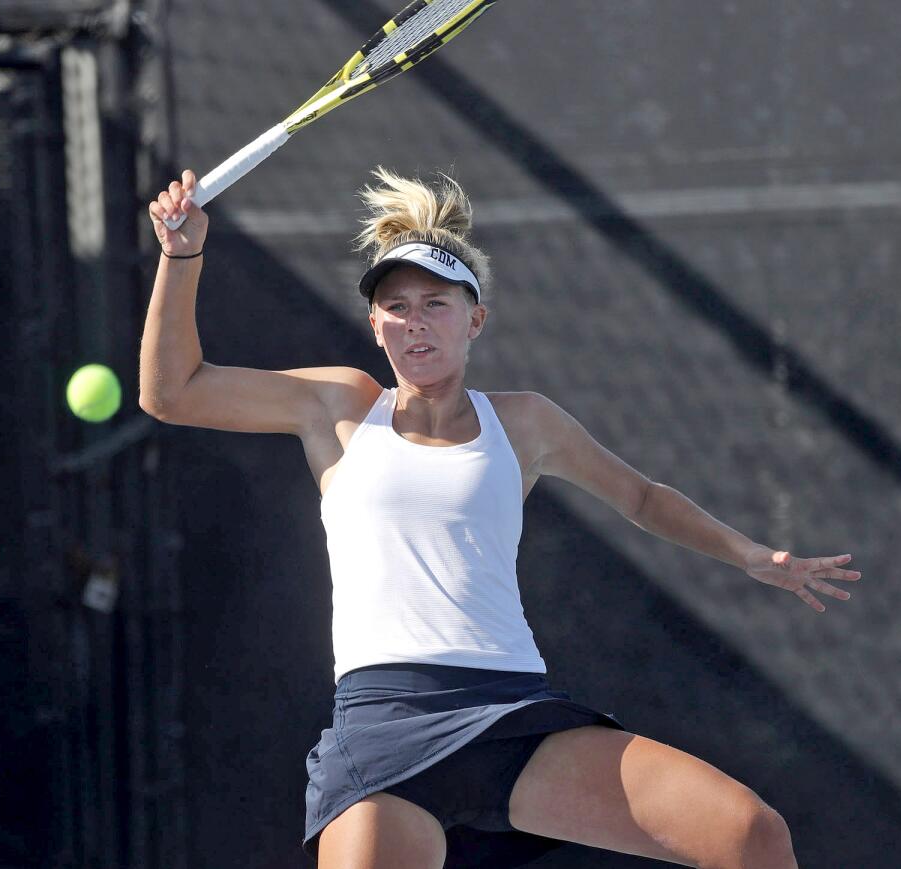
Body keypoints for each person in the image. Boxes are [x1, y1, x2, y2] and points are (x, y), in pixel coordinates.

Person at [139, 167, 861, 869]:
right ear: (374, 323)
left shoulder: (524, 422)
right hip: (384, 721)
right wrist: (181, 255)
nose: (414, 322)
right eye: (397, 306)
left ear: (475, 317)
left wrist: (749, 554)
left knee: (751, 835)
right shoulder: (339, 405)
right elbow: (172, 392)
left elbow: (640, 496)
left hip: (511, 716)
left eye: (436, 304)